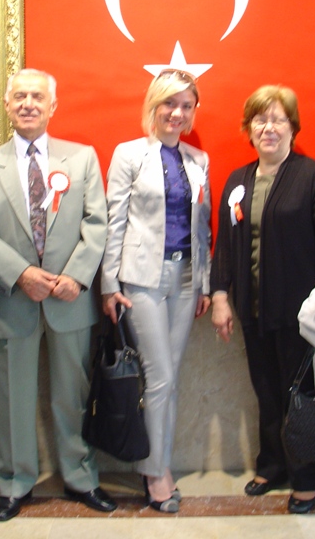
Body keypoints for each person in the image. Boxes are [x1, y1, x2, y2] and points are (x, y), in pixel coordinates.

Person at [0, 69, 115, 521]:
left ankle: (81, 477)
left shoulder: (81, 159)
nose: (28, 104)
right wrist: (22, 274)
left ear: (53, 106)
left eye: (37, 97)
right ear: (7, 105)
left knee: (73, 396)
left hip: (70, 299)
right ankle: (15, 482)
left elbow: (97, 223)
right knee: (13, 398)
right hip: (12, 298)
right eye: (20, 97)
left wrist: (77, 278)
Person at [210, 85, 315, 514]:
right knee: (267, 393)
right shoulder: (238, 181)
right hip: (253, 311)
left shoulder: (313, 178)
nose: (268, 128)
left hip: (303, 315)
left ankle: (306, 479)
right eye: (260, 120)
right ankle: (273, 465)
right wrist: (220, 296)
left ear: (293, 127)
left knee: (302, 396)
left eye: (278, 119)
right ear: (249, 129)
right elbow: (225, 247)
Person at [101, 69, 211, 514]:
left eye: (186, 105)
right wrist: (109, 284)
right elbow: (114, 221)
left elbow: (203, 226)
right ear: (154, 105)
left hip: (186, 278)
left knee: (171, 375)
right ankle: (154, 472)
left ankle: (158, 461)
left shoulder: (198, 160)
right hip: (142, 278)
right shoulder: (129, 154)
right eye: (169, 103)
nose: (177, 113)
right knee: (160, 375)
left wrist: (205, 282)